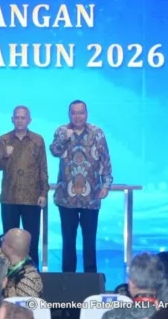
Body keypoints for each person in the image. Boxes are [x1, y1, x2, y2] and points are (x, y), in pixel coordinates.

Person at [50, 100, 113, 273]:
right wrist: (64, 138)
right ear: (69, 114)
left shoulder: (97, 133)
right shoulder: (61, 131)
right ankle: (67, 278)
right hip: (66, 197)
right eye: (74, 113)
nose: (78, 116)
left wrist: (106, 184)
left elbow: (105, 160)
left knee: (89, 241)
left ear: (86, 114)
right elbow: (54, 151)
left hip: (91, 197)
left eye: (81, 112)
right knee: (68, 241)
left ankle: (90, 278)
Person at [0, 105, 48, 267]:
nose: (19, 120)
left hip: (32, 198)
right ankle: (10, 275)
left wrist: (43, 193)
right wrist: (5, 155)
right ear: (12, 119)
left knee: (31, 241)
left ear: (29, 120)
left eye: (23, 117)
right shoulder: (3, 139)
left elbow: (43, 168)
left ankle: (33, 274)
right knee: (9, 242)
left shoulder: (38, 140)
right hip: (9, 198)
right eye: (16, 117)